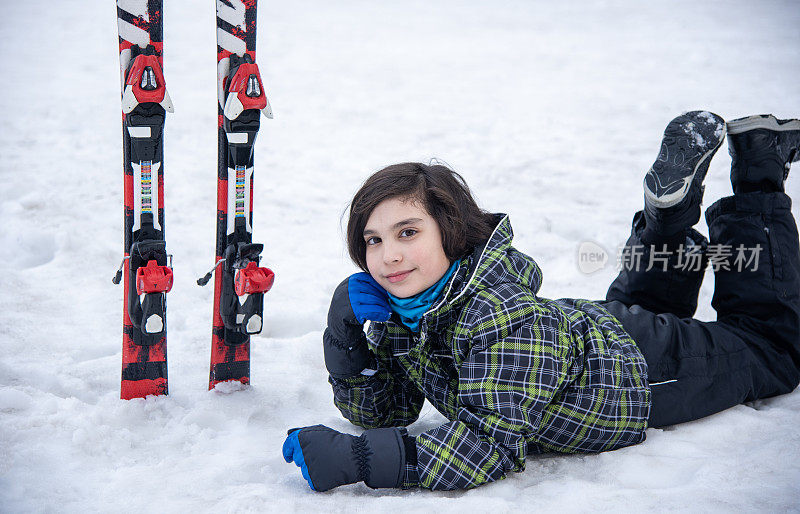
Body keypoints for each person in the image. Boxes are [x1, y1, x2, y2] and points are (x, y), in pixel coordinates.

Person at [282, 111, 800, 492]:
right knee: (649, 305)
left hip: (644, 369)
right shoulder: (409, 311)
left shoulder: (497, 314)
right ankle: (667, 219)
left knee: (771, 344)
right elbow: (388, 410)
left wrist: (357, 458)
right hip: (589, 337)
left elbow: (487, 447)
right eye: (373, 240)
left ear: (452, 230)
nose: (387, 256)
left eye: (407, 232)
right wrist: (345, 335)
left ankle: (759, 170)